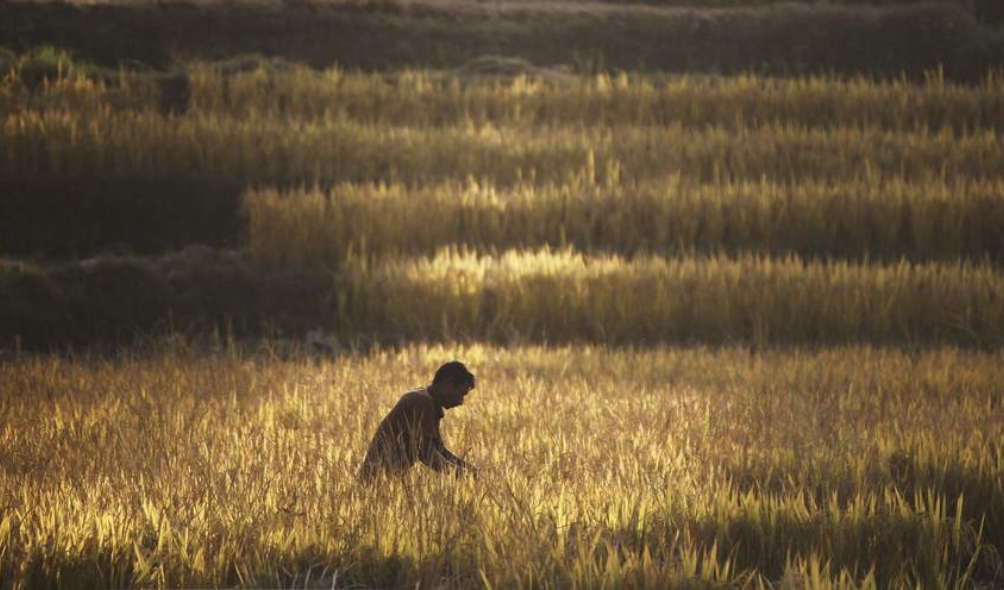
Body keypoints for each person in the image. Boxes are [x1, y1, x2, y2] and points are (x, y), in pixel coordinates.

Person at [358, 361, 476, 482]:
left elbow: (438, 450)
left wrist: (467, 468)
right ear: (448, 384)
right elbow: (427, 453)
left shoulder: (428, 401)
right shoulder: (423, 402)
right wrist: (459, 474)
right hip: (376, 480)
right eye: (461, 394)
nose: (461, 401)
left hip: (384, 480)